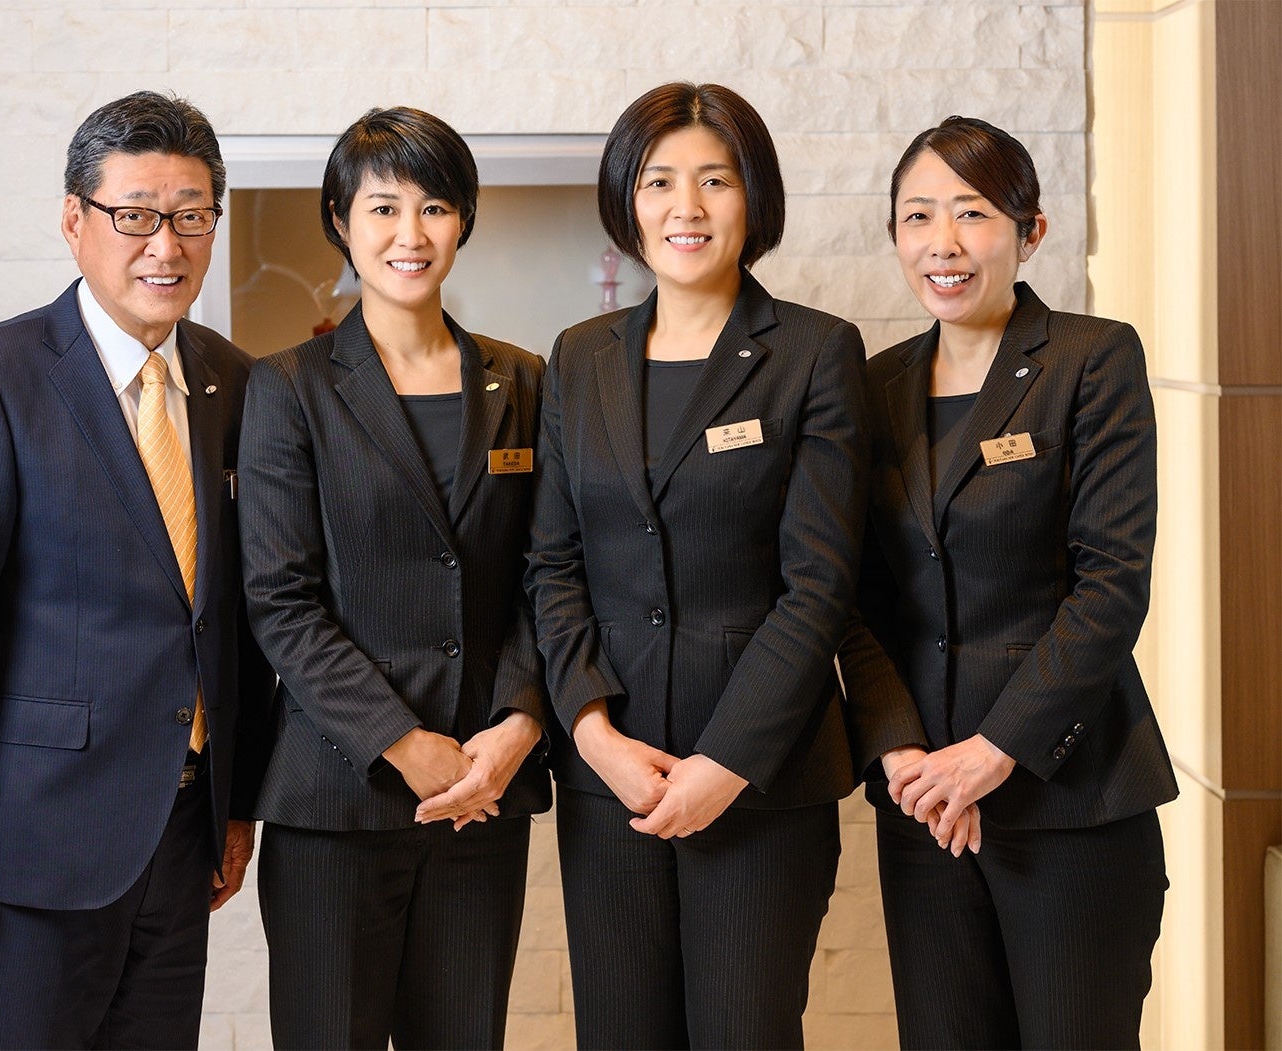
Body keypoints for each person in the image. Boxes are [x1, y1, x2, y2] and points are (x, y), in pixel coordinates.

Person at [0, 90, 274, 1049]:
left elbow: (239, 617)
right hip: (28, 852)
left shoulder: (235, 382)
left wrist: (235, 807)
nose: (165, 246)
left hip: (181, 842)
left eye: (191, 217)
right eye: (135, 215)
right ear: (74, 219)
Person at [525, 82, 869, 1049]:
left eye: (715, 180)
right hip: (611, 781)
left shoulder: (815, 352)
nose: (687, 207)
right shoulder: (579, 357)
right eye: (659, 182)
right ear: (627, 202)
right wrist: (592, 732)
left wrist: (727, 762)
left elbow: (819, 584)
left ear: (754, 196)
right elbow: (552, 563)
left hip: (761, 784)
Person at [838, 116, 1178, 1050]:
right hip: (923, 809)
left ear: (1030, 232)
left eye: (973, 213)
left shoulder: (1091, 359)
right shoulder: (874, 386)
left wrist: (993, 752)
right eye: (917, 216)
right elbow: (854, 600)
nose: (942, 242)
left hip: (1069, 800)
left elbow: (1111, 584)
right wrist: (900, 753)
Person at [237, 106, 551, 1050]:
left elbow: (548, 575)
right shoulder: (289, 385)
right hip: (336, 796)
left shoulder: (523, 380)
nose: (409, 233)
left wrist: (518, 724)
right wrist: (405, 743)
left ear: (464, 221)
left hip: (482, 794)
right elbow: (280, 599)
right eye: (383, 208)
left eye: (434, 207)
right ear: (340, 219)